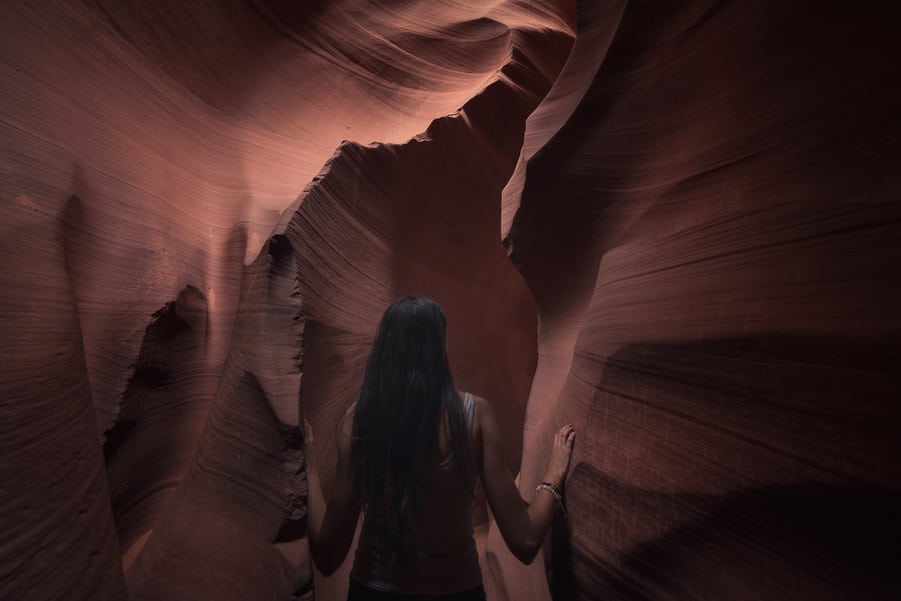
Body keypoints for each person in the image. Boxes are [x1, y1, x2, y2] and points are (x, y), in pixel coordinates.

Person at [304, 296, 576, 600]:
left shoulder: (360, 420)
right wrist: (553, 475)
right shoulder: (475, 416)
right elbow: (525, 540)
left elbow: (327, 554)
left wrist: (310, 472)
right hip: (457, 592)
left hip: (374, 591)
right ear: (437, 348)